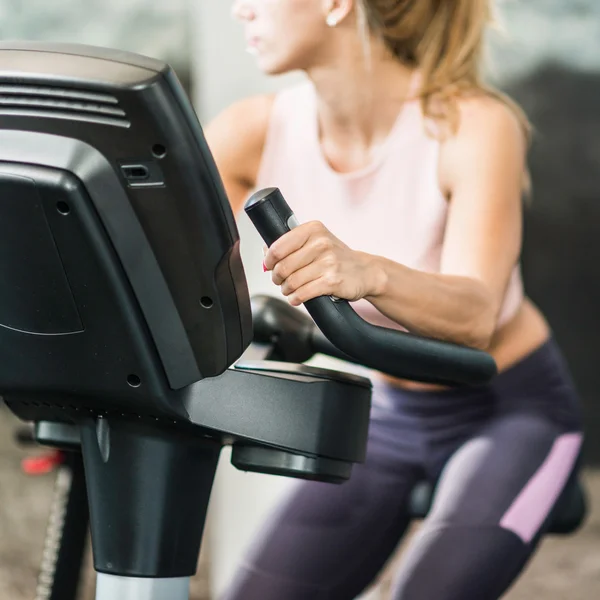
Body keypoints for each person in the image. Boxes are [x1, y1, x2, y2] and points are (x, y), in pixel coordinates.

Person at [206, 1, 584, 598]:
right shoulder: (249, 132)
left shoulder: (473, 126)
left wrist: (369, 272)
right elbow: (165, 260)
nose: (240, 10)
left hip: (511, 410)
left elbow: (476, 315)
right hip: (385, 416)